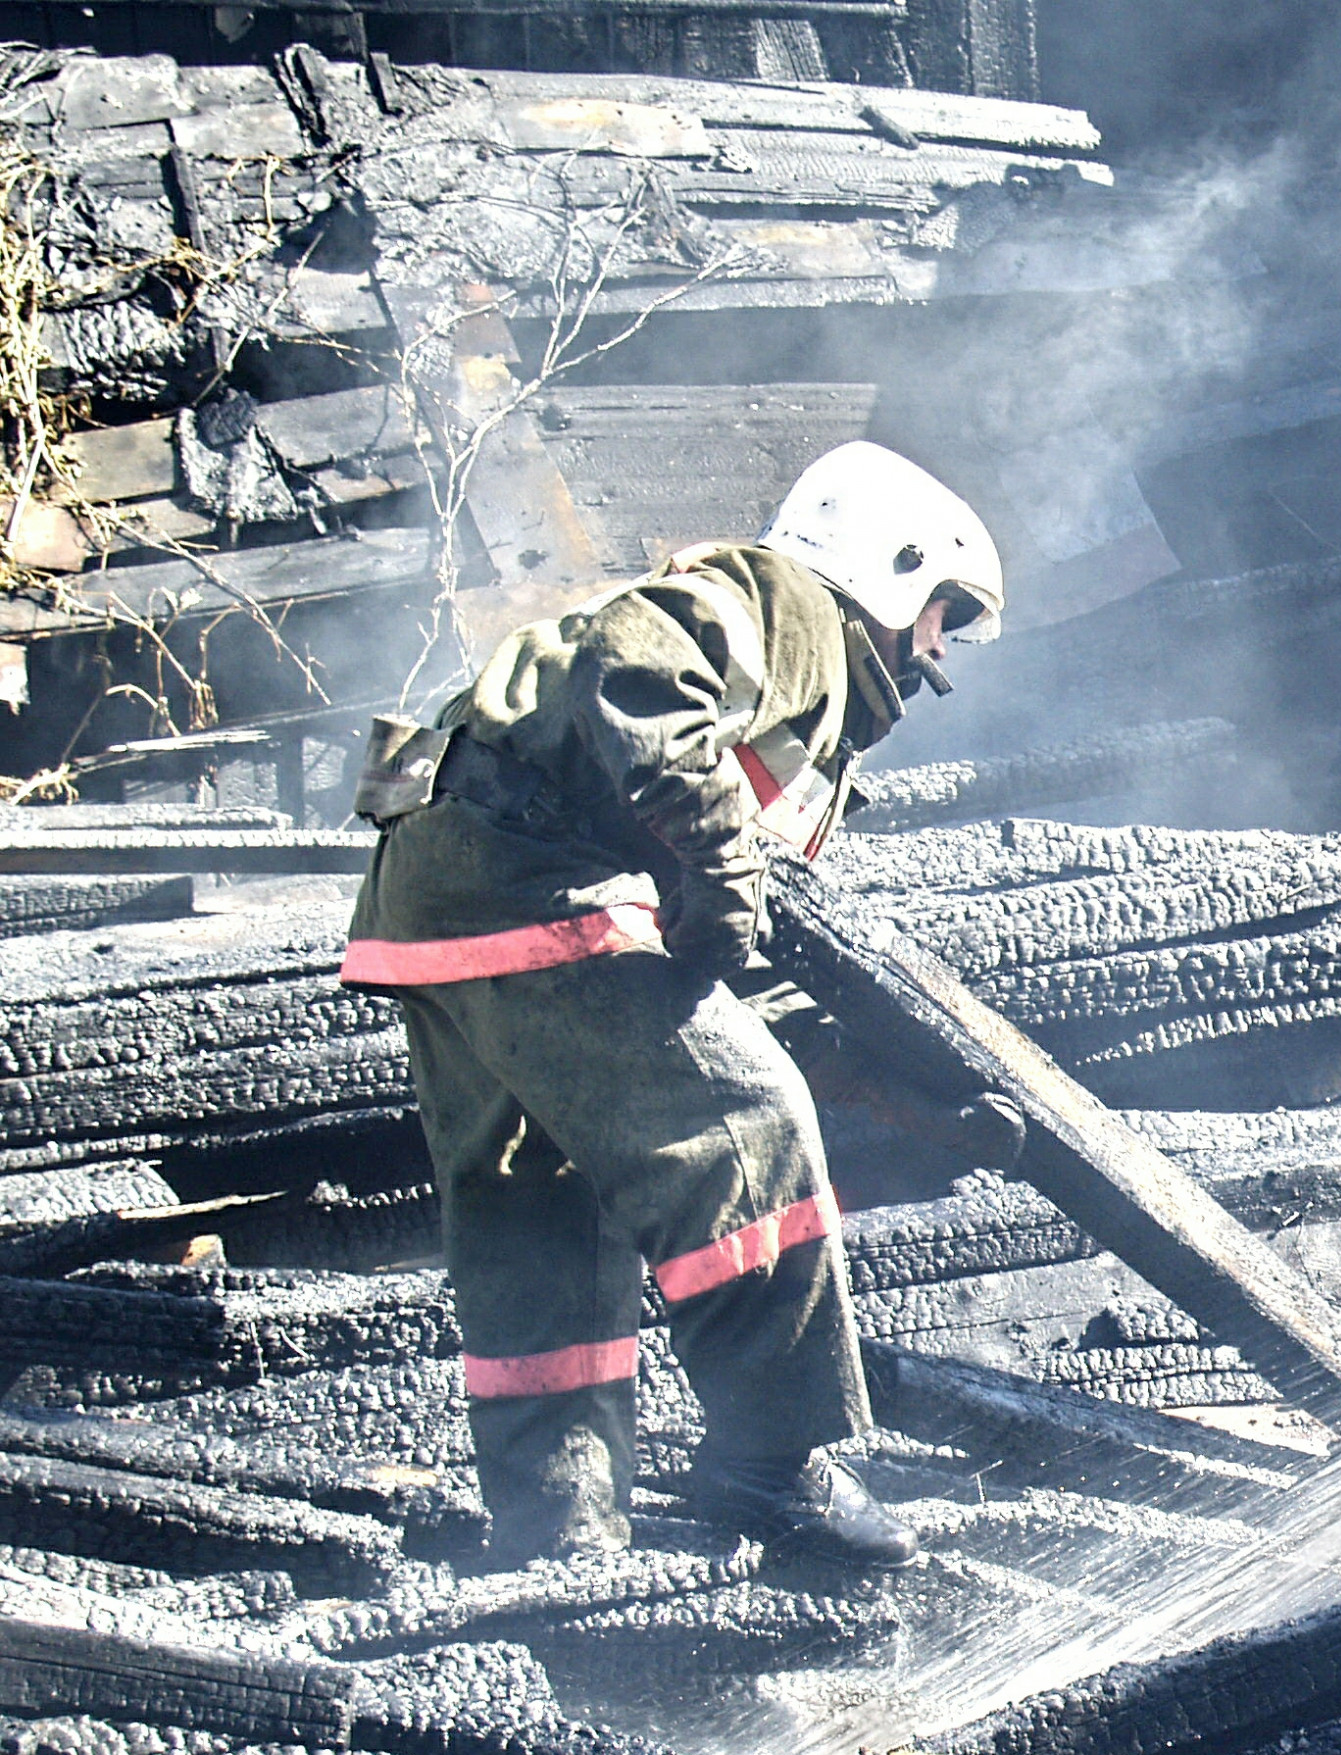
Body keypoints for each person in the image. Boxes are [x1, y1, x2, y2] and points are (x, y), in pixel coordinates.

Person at [340, 440, 1004, 1571]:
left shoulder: (792, 685)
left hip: (435, 894)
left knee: (537, 1213)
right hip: (530, 877)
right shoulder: (789, 607)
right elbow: (634, 673)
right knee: (749, 1133)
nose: (938, 652)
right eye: (942, 612)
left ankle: (556, 1531)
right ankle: (770, 1461)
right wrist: (724, 878)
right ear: (891, 570)